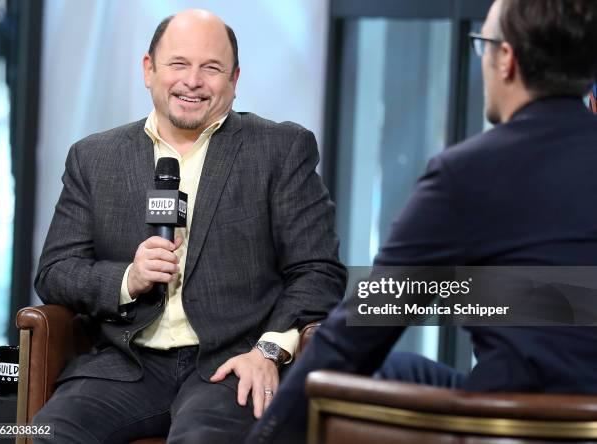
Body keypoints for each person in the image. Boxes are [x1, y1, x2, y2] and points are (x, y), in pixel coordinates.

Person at [248, 0, 597, 442]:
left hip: (513, 422)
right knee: (402, 369)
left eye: (482, 44)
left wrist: (264, 437)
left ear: (506, 59)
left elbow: (363, 329)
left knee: (337, 373)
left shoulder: (470, 173)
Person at [33, 9, 346, 444]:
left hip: (232, 364)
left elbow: (318, 271)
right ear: (149, 70)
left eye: (211, 68)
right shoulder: (94, 157)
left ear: (234, 79)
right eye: (178, 64)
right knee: (47, 435)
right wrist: (128, 278)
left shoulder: (281, 149)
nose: (193, 81)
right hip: (127, 365)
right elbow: (55, 272)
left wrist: (269, 350)